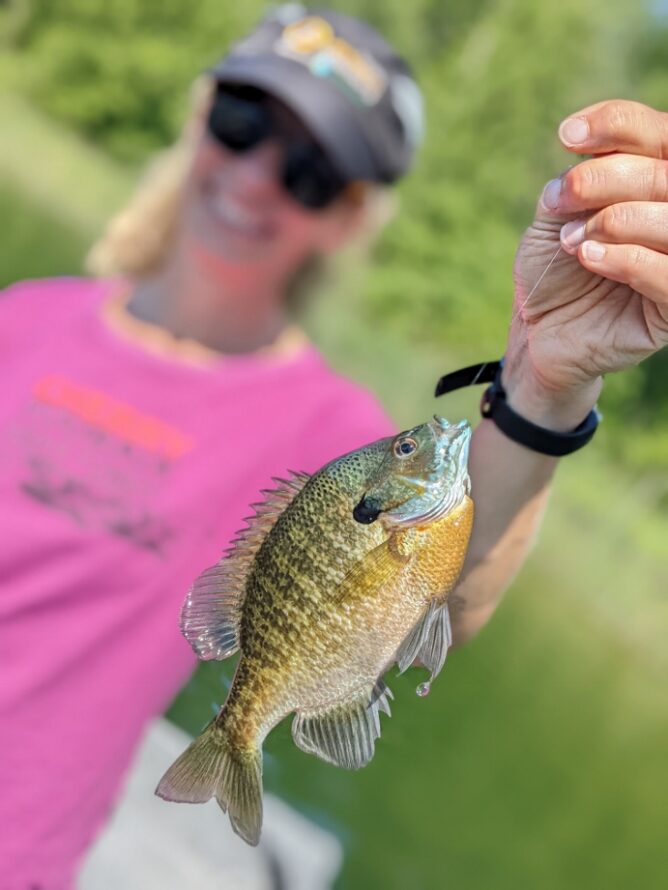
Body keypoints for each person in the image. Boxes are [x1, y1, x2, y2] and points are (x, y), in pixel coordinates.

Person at [1, 3, 667, 886]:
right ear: (201, 117)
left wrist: (547, 384)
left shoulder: (324, 432)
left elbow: (447, 598)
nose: (256, 177)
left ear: (351, 216)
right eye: (243, 123)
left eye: (311, 172)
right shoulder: (25, 315)